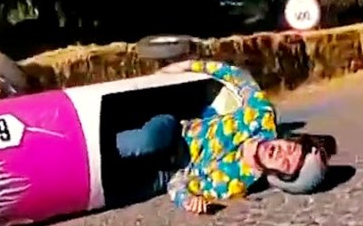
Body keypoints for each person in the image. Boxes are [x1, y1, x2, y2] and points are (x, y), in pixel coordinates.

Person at [114, 59, 335, 214]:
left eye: (285, 164)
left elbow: (178, 183)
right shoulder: (261, 116)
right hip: (175, 133)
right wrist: (187, 65)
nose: (281, 153)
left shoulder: (233, 184)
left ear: (278, 177)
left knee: (123, 191)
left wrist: (187, 200)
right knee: (148, 142)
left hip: (171, 171)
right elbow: (239, 77)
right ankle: (101, 145)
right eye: (290, 148)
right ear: (288, 140)